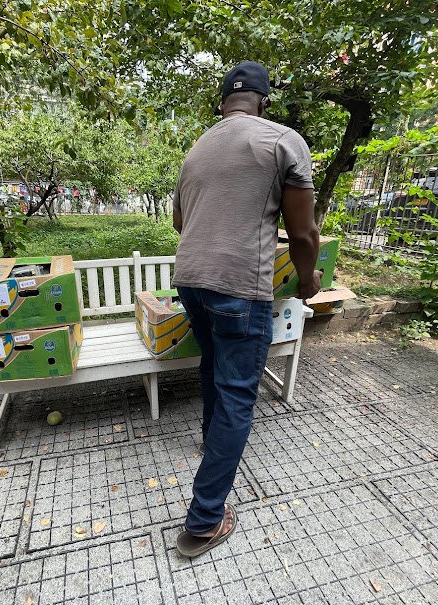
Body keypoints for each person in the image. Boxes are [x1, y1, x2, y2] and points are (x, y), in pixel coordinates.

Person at [172, 61, 321, 557]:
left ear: (222, 103)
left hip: (192, 280)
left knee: (214, 367)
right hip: (239, 287)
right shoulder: (282, 140)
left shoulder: (197, 149)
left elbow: (179, 220)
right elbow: (302, 232)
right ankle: (204, 521)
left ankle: (208, 445)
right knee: (238, 394)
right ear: (264, 101)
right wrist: (308, 279)